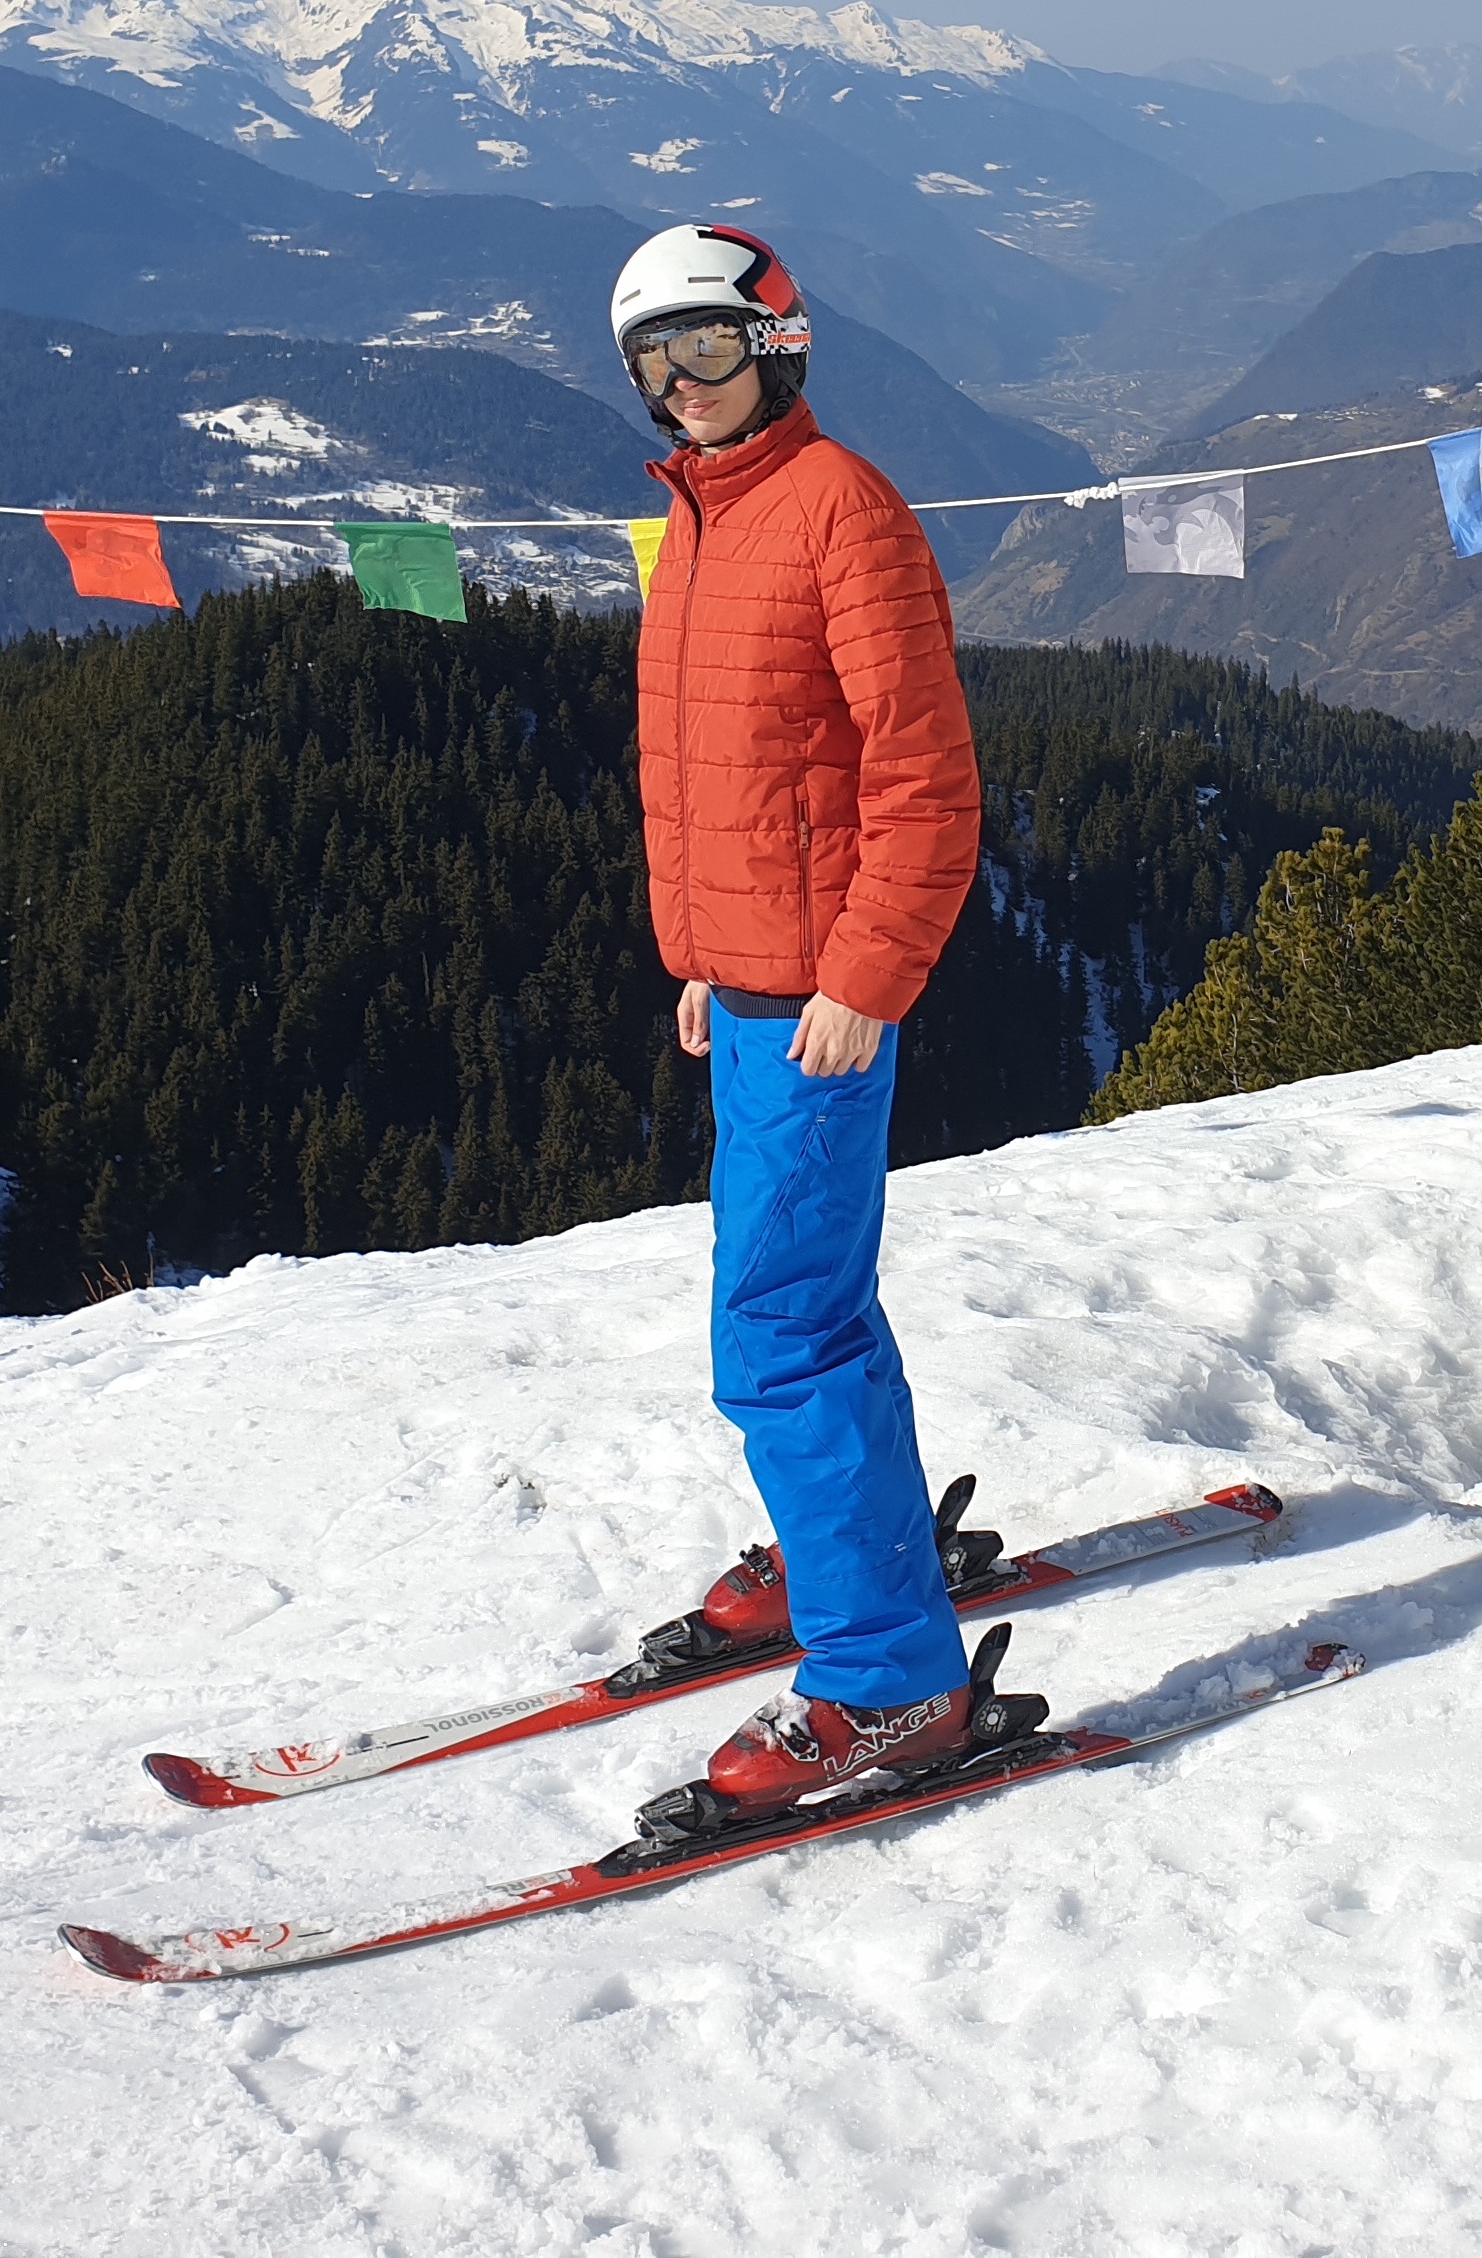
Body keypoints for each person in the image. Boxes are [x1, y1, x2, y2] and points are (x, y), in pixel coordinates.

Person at [614, 219, 990, 1812]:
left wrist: (861, 976)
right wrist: (704, 952)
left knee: (779, 1333)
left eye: (708, 345)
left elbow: (925, 779)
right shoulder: (705, 519)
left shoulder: (841, 511)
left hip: (824, 1002)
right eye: (654, 358)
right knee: (811, 1308)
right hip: (753, 991)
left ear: (775, 345)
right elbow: (728, 771)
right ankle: (842, 1552)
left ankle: (889, 1681)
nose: (682, 382)